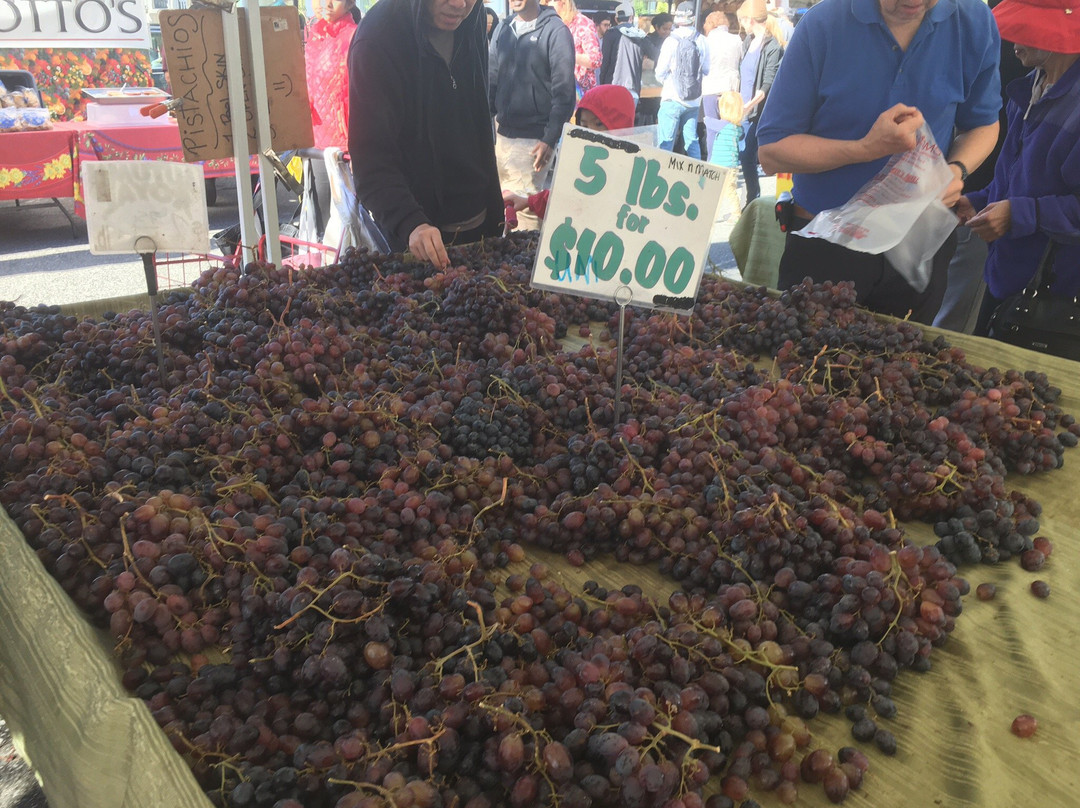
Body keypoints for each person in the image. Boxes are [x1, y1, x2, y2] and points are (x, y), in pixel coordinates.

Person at [756, 0, 1002, 324]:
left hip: (919, 242)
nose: (913, 3)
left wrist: (956, 170)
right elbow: (772, 151)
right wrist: (863, 149)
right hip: (828, 239)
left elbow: (983, 123)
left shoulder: (974, 20)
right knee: (807, 368)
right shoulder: (823, 23)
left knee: (904, 369)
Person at [347, 0, 504, 269]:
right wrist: (410, 222)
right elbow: (371, 158)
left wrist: (493, 204)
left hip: (482, 227)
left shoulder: (474, 18)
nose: (459, 4)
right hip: (419, 242)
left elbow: (477, 115)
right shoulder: (377, 39)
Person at [957, 0, 1080, 335]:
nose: (1013, 42)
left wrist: (1019, 214)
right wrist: (982, 200)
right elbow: (1021, 174)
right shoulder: (1031, 86)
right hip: (1010, 276)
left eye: (1025, 30)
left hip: (1059, 299)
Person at [932, 0, 1027, 334]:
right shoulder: (986, 24)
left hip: (976, 198)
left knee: (949, 317)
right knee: (950, 319)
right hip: (973, 197)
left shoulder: (984, 22)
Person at [489, 0, 577, 230]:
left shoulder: (556, 31)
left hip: (534, 139)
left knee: (526, 214)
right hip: (503, 134)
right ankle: (508, 263)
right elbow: (492, 79)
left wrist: (550, 138)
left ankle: (524, 264)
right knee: (504, 207)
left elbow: (565, 91)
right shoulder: (503, 28)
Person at [503, 84, 637, 221]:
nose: (590, 132)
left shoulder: (638, 171)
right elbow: (565, 195)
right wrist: (528, 201)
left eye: (598, 124)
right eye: (584, 125)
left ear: (621, 125)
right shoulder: (583, 163)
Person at [304, 0, 360, 236]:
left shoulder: (356, 37)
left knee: (352, 220)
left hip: (348, 145)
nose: (325, 3)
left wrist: (359, 144)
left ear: (349, 4)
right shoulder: (313, 36)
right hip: (317, 141)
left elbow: (359, 94)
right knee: (323, 219)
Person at [736, 0, 783, 205]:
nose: (742, 25)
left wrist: (749, 106)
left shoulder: (772, 45)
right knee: (744, 155)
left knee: (749, 153)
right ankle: (751, 196)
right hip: (742, 108)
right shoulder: (748, 41)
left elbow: (768, 83)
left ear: (750, 19)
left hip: (757, 110)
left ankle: (752, 198)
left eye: (743, 20)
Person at [655, 2, 710, 159]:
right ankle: (698, 178)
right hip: (693, 100)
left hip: (672, 97)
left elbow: (660, 71)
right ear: (693, 19)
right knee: (692, 140)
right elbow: (706, 70)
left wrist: (668, 81)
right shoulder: (702, 41)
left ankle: (662, 175)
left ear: (677, 19)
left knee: (666, 142)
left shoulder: (670, 41)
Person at [701, 10, 743, 160]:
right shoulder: (737, 39)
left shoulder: (705, 41)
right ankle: (730, 159)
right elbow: (740, 62)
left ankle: (713, 163)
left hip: (710, 88)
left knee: (712, 129)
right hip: (730, 90)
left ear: (710, 25)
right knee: (730, 128)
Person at [599, 3, 651, 106]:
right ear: (631, 17)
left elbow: (605, 63)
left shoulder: (610, 34)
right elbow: (655, 53)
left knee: (612, 121)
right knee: (627, 121)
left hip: (612, 88)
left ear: (616, 18)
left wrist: (602, 85)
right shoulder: (640, 35)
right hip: (633, 90)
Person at [554, 0, 602, 95]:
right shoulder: (554, 23)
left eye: (548, 1)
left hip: (580, 95)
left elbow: (595, 59)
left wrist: (567, 55)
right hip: (558, 91)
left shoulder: (582, 23)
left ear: (563, 2)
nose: (544, 5)